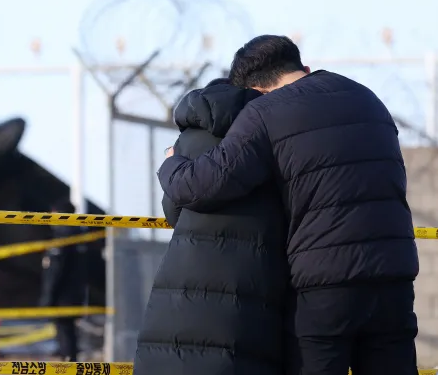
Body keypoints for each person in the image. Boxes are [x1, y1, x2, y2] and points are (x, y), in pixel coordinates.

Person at [158, 35, 419, 375]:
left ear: (256, 90)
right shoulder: (366, 97)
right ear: (304, 68)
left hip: (326, 283)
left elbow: (203, 185)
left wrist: (170, 164)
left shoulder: (265, 113)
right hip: (394, 275)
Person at [134, 78, 288, 375]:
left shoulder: (189, 139)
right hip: (248, 288)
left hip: (179, 288)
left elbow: (173, 211)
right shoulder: (271, 135)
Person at [40, 205, 86, 361]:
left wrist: (48, 297)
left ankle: (68, 365)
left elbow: (55, 271)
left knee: (65, 332)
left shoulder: (62, 237)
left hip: (63, 296)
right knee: (70, 333)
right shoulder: (80, 235)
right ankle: (70, 362)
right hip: (76, 293)